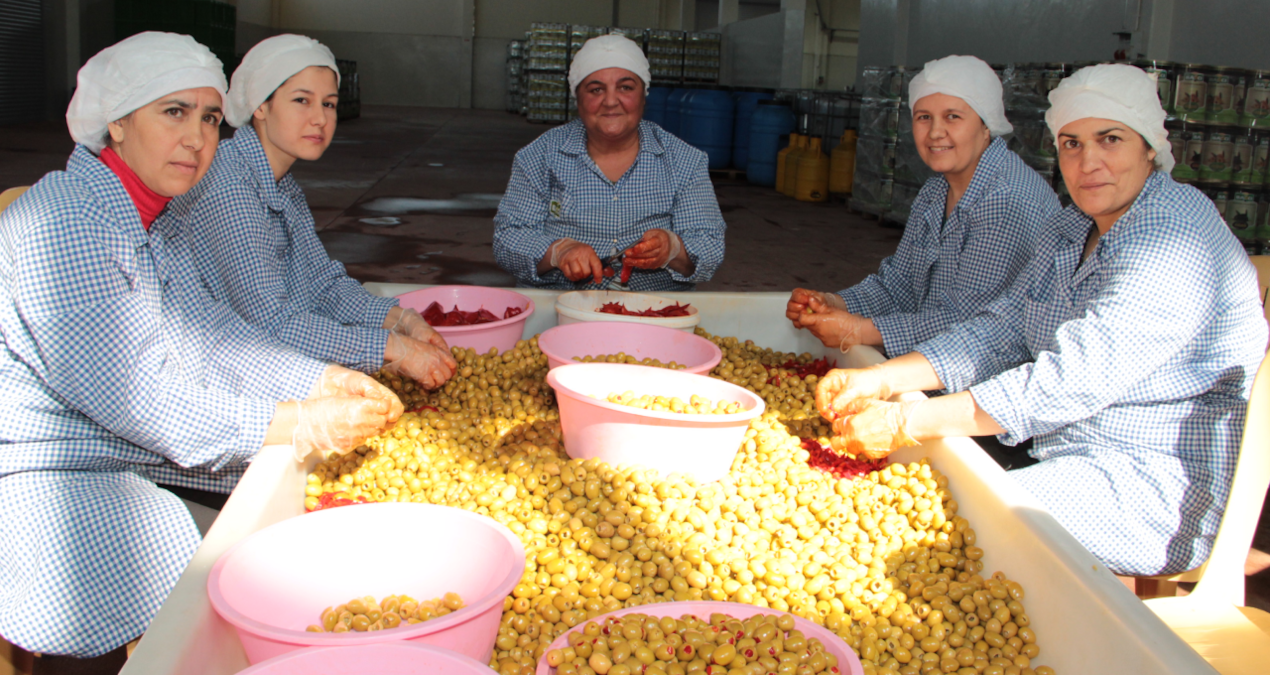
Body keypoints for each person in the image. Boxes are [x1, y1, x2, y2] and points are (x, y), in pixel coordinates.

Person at [0, 33, 402, 666]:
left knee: (271, 530)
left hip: (113, 447)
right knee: (224, 575)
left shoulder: (157, 217)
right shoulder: (68, 225)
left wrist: (319, 379)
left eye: (210, 118)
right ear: (118, 122)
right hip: (42, 468)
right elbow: (142, 399)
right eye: (174, 112)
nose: (197, 138)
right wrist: (291, 422)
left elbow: (212, 334)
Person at [816, 64, 1268, 577]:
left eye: (1110, 139)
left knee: (957, 523)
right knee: (934, 500)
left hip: (1154, 483)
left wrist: (906, 420)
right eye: (1071, 143)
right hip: (1070, 451)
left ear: (1149, 148)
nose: (1088, 162)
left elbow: (1067, 382)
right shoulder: (1074, 224)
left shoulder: (1172, 238)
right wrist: (882, 378)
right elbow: (1003, 327)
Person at [171, 34, 456, 390]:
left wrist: (401, 320)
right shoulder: (229, 185)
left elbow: (322, 285)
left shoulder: (281, 184)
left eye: (329, 104)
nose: (320, 119)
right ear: (260, 105)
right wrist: (388, 347)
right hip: (216, 381)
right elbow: (271, 323)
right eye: (302, 101)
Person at [787, 55, 1060, 358]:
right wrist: (836, 303)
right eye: (923, 117)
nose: (935, 132)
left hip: (979, 388)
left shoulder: (1007, 201)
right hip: (930, 367)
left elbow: (968, 324)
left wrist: (858, 330)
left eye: (953, 117)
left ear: (986, 125)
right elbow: (900, 284)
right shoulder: (936, 190)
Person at [493, 34, 725, 291]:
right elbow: (508, 239)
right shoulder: (539, 156)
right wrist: (558, 251)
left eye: (626, 87)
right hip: (560, 305)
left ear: (643, 95)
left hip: (654, 309)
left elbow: (710, 246)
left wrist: (673, 248)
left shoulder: (684, 161)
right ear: (577, 98)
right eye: (596, 89)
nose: (611, 101)